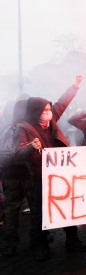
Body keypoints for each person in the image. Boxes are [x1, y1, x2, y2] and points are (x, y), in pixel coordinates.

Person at [14, 75, 86, 261]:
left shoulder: (52, 120)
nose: (49, 112)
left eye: (49, 109)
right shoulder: (23, 128)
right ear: (36, 112)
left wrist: (75, 85)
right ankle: (41, 246)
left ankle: (72, 239)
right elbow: (18, 154)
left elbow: (62, 103)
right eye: (45, 110)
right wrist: (31, 147)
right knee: (41, 213)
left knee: (67, 206)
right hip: (40, 177)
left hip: (60, 174)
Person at [2, 100, 38, 257]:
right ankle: (35, 240)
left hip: (10, 175)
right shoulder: (27, 129)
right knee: (35, 207)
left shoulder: (6, 129)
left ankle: (10, 244)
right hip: (28, 174)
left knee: (12, 209)